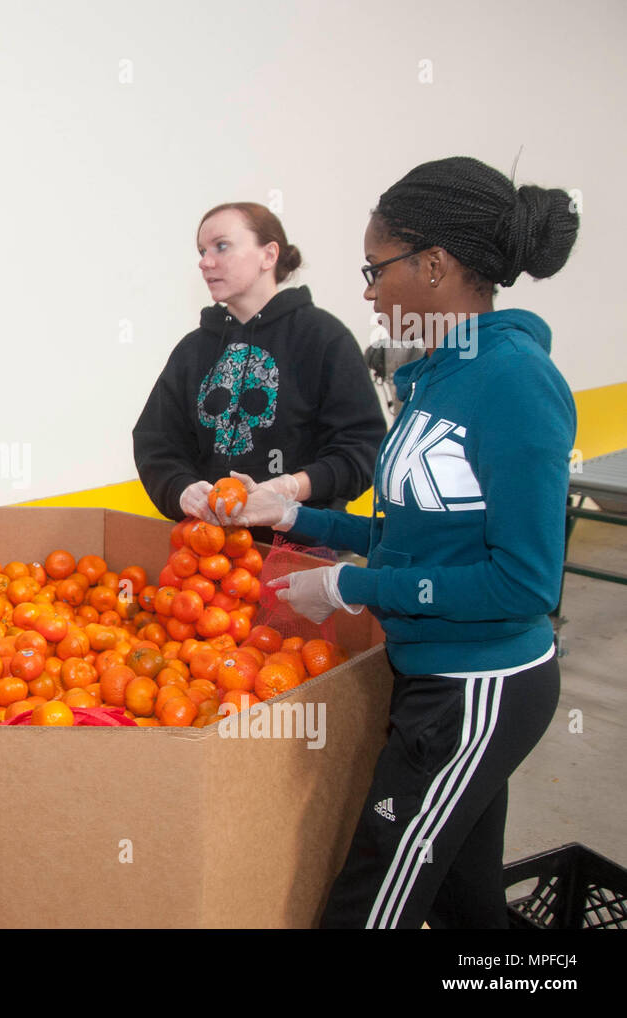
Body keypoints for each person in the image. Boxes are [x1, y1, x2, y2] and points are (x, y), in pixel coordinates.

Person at [237, 156, 578, 928]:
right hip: (432, 677)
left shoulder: (514, 380)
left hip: (479, 688)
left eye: (375, 266)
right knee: (467, 907)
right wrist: (301, 521)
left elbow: (524, 583)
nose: (366, 290)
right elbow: (422, 538)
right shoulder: (438, 376)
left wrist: (353, 588)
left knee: (370, 904)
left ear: (435, 264)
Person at [133, 203, 386, 535]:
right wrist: (181, 490)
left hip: (302, 549)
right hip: (208, 554)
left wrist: (290, 489)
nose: (205, 262)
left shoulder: (324, 337)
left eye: (221, 246)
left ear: (269, 255)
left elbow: (362, 448)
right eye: (202, 251)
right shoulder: (192, 350)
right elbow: (156, 441)